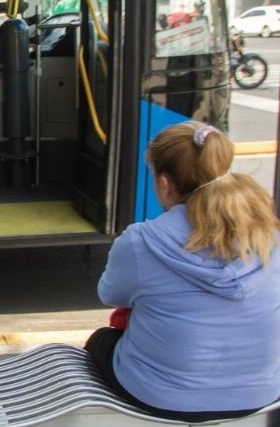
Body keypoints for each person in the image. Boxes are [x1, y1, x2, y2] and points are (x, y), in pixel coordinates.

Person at [85, 122, 280, 422]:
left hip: (163, 396)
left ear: (165, 183)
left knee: (101, 339)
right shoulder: (268, 233)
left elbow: (109, 294)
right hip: (261, 393)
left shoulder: (141, 241)